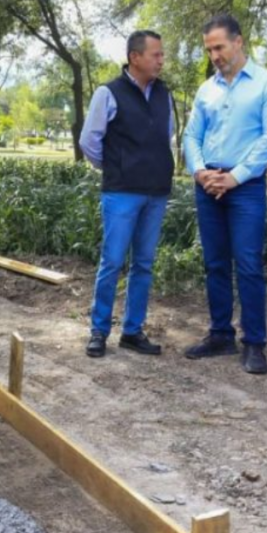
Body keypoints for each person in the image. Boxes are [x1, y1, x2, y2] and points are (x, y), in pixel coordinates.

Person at [182, 14, 267, 374]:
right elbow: (191, 135)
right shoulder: (206, 89)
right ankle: (220, 335)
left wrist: (236, 177)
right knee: (214, 263)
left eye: (220, 47)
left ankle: (255, 343)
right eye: (209, 49)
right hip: (208, 182)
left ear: (239, 42)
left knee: (248, 264)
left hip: (245, 187)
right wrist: (199, 171)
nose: (214, 55)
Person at [80, 30, 175, 358]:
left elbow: (167, 135)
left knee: (144, 264)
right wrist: (115, 168)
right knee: (113, 261)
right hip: (121, 194)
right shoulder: (108, 93)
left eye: (162, 55)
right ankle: (99, 330)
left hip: (156, 193)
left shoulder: (164, 94)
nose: (161, 60)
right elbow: (89, 142)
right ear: (135, 57)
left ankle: (132, 331)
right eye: (156, 55)